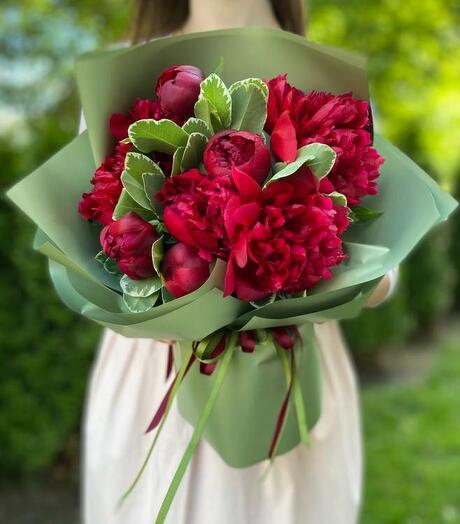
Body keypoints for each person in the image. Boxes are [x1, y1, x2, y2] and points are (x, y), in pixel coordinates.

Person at [81, 1, 399, 522]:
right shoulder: (125, 69)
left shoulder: (329, 79)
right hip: (157, 380)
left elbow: (385, 262)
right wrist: (146, 307)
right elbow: (93, 239)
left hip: (293, 370)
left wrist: (316, 275)